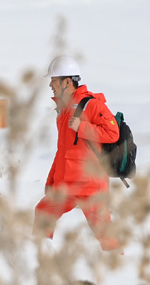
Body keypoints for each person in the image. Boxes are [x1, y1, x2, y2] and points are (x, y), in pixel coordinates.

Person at [34, 56, 121, 251]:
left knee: (105, 233)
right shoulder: (64, 110)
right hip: (66, 184)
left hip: (91, 185)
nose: (50, 84)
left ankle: (118, 268)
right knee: (43, 213)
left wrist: (83, 127)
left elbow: (112, 133)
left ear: (67, 82)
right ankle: (39, 256)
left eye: (53, 80)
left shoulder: (92, 105)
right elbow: (63, 151)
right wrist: (51, 180)